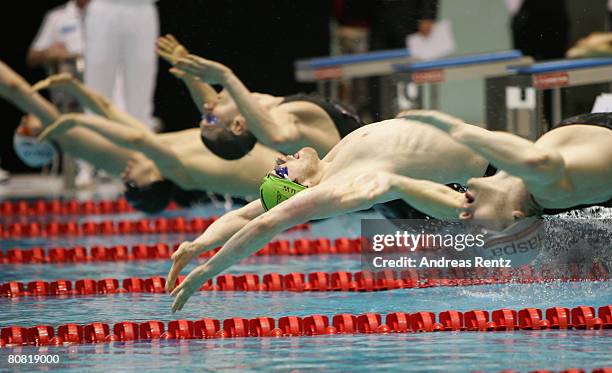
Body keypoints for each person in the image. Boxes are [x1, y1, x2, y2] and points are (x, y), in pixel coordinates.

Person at [164, 114, 500, 312]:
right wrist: (208, 271)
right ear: (302, 191)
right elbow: (266, 223)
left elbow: (245, 215)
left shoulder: (331, 163)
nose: (282, 159)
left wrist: (197, 245)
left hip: (496, 150)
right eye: (282, 170)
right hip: (501, 174)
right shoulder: (340, 185)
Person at [0, 60, 281, 213]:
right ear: (153, 181)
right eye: (133, 183)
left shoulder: (167, 157)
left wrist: (78, 90)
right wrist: (76, 118)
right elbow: (137, 140)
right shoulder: (178, 170)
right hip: (288, 178)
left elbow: (116, 116)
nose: (125, 174)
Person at [157, 35, 363, 161]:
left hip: (380, 189)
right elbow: (275, 136)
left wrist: (189, 71)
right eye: (209, 119)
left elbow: (212, 106)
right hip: (384, 203)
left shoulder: (273, 110)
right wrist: (225, 77)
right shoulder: (282, 123)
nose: (207, 108)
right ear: (238, 125)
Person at [26, 0, 96, 186]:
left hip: (106, 84)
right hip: (69, 87)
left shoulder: (110, 15)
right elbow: (32, 56)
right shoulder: (56, 17)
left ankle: (106, 165)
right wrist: (50, 53)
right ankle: (82, 167)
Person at [84, 0, 159, 130]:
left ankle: (141, 135)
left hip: (142, 7)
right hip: (104, 7)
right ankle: (94, 135)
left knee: (141, 83)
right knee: (98, 79)